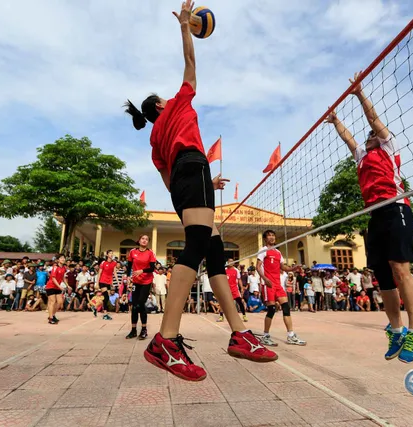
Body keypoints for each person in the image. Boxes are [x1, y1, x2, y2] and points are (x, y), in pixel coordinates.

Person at [123, 0, 276, 381]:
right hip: (193, 170)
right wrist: (185, 29)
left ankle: (240, 334)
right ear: (161, 104)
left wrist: (202, 189)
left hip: (187, 180)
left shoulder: (155, 138)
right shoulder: (177, 105)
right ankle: (166, 339)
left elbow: (168, 181)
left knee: (215, 254)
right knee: (196, 249)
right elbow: (191, 66)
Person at [326, 71, 413, 363]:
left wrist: (359, 94)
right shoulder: (362, 157)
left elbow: (373, 121)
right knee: (383, 277)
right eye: (368, 136)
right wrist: (336, 122)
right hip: (375, 216)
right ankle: (396, 329)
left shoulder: (387, 146)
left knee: (399, 268)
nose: (369, 136)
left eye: (372, 135)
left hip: (396, 208)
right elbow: (348, 139)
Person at [256, 230, 306, 346]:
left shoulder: (278, 252)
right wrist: (265, 279)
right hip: (268, 284)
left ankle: (291, 335)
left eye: (273, 235)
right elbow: (258, 267)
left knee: (286, 307)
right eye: (269, 236)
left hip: (278, 285)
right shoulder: (263, 250)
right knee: (272, 309)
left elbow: (283, 267)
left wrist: (294, 268)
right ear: (265, 239)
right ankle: (265, 336)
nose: (272, 237)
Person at [125, 235, 157, 340]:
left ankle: (144, 329)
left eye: (147, 239)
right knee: (134, 306)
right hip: (136, 281)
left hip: (146, 281)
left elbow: (152, 268)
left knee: (141, 303)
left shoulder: (150, 253)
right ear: (139, 240)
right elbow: (129, 265)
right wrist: (128, 276)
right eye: (143, 238)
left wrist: (142, 271)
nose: (144, 240)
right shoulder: (133, 252)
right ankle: (133, 330)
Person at [97, 250, 117, 321]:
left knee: (107, 298)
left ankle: (96, 306)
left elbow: (114, 272)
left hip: (109, 282)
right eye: (110, 253)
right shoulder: (103, 262)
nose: (111, 254)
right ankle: (105, 314)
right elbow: (99, 273)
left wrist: (117, 281)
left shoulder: (114, 263)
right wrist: (97, 283)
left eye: (112, 253)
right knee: (106, 296)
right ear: (107, 255)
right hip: (102, 281)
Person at [45, 255, 66, 324]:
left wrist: (67, 285)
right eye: (61, 258)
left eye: (64, 258)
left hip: (57, 287)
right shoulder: (55, 267)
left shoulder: (63, 268)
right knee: (52, 302)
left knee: (60, 302)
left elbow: (63, 277)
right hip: (51, 286)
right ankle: (50, 318)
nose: (63, 259)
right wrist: (59, 286)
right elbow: (53, 278)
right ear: (58, 260)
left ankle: (53, 315)